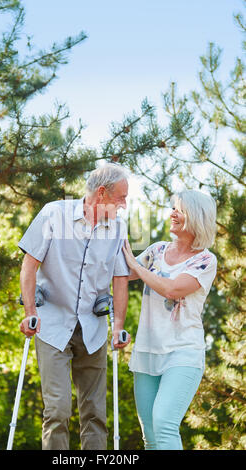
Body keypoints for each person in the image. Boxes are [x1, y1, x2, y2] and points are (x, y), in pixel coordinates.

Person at [18, 163, 131, 450]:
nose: (124, 205)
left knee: (95, 414)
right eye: (121, 198)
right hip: (53, 323)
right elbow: (29, 266)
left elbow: (120, 278)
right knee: (57, 411)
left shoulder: (117, 227)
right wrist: (30, 312)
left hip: (92, 327)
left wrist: (118, 326)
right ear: (102, 193)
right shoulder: (54, 214)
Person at [122, 189, 217, 450]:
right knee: (150, 434)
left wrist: (136, 265)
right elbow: (120, 272)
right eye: (173, 207)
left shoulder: (206, 260)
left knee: (164, 424)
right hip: (147, 351)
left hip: (183, 353)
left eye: (180, 209)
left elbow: (173, 289)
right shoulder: (157, 250)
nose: (172, 213)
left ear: (196, 216)